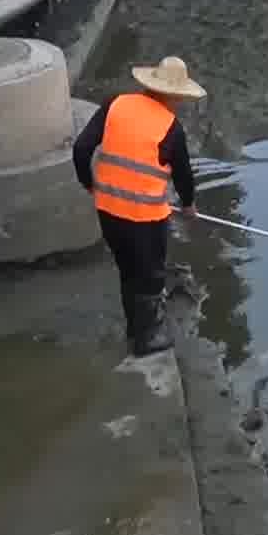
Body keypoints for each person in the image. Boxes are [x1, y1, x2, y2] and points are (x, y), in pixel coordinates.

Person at [72, 56, 205, 356]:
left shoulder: (115, 104)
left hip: (108, 210)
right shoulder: (171, 129)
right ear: (174, 96)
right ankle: (146, 340)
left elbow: (81, 148)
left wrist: (88, 183)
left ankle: (135, 327)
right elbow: (184, 176)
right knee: (149, 276)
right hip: (145, 220)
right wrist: (188, 206)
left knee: (127, 270)